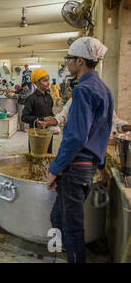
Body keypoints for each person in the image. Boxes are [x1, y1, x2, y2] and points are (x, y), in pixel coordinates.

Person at [46, 37, 112, 264]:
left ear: (80, 61)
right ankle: (58, 252)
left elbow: (75, 138)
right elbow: (104, 131)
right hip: (85, 166)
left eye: (69, 59)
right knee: (57, 216)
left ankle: (73, 256)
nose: (67, 64)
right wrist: (101, 165)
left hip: (75, 168)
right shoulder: (104, 89)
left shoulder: (83, 90)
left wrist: (55, 169)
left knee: (72, 228)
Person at [21, 68, 54, 153]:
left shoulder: (49, 97)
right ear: (38, 83)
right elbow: (24, 117)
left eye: (48, 80)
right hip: (35, 134)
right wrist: (42, 119)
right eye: (45, 81)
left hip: (48, 133)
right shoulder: (31, 98)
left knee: (47, 155)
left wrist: (53, 119)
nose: (48, 83)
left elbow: (50, 114)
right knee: (36, 157)